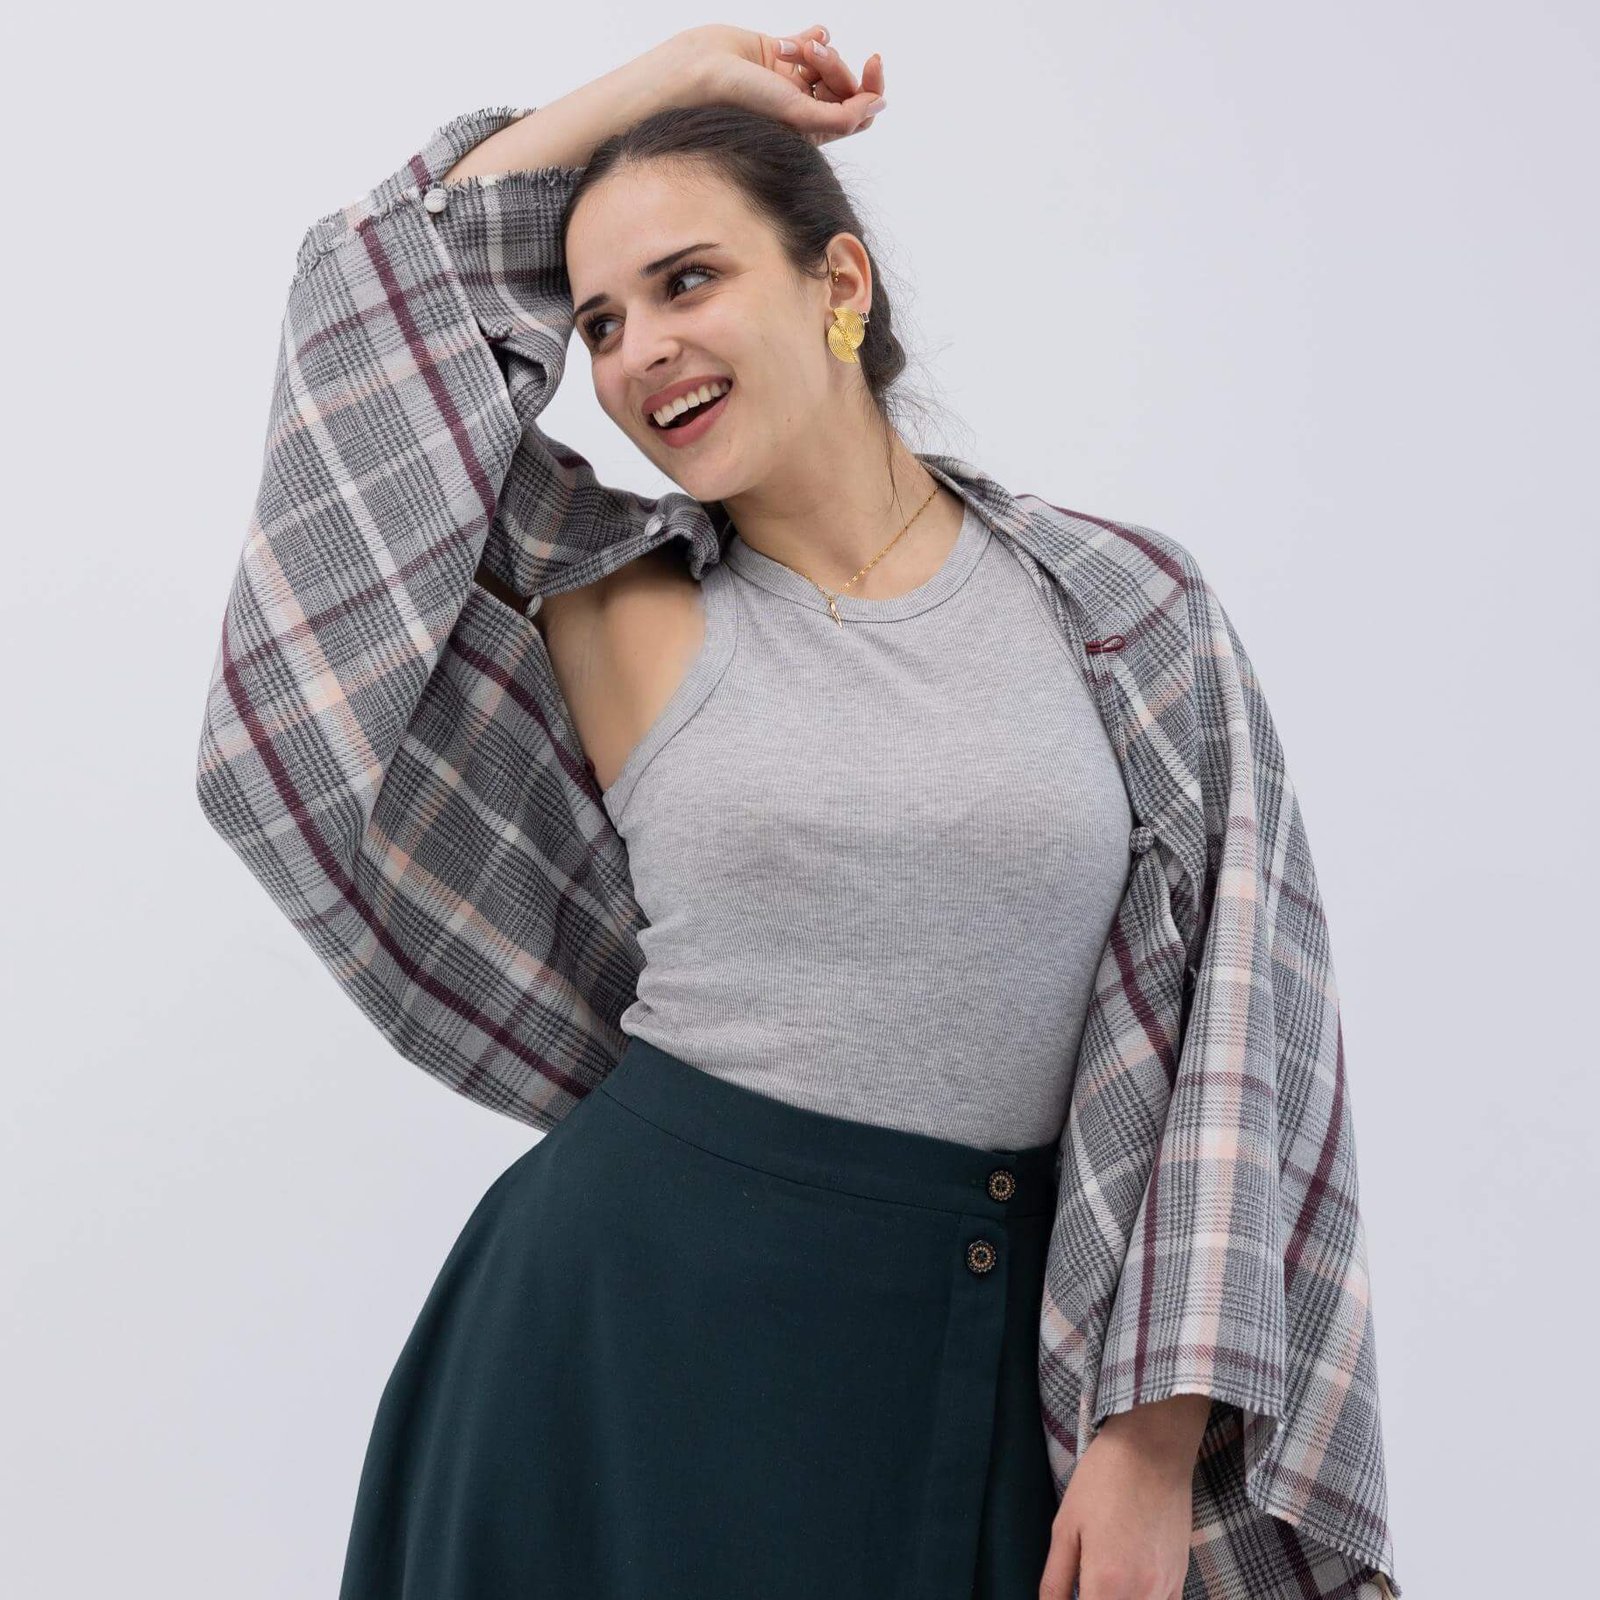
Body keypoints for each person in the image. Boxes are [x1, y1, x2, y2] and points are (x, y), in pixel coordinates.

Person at [193, 22, 1400, 1600]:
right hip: (619, 1345)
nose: (637, 353)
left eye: (687, 282)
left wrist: (1156, 1432)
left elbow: (1251, 1020)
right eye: (600, 320)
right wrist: (668, 77)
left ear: (839, 284)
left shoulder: (1123, 610)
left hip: (993, 1358)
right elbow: (372, 329)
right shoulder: (610, 606)